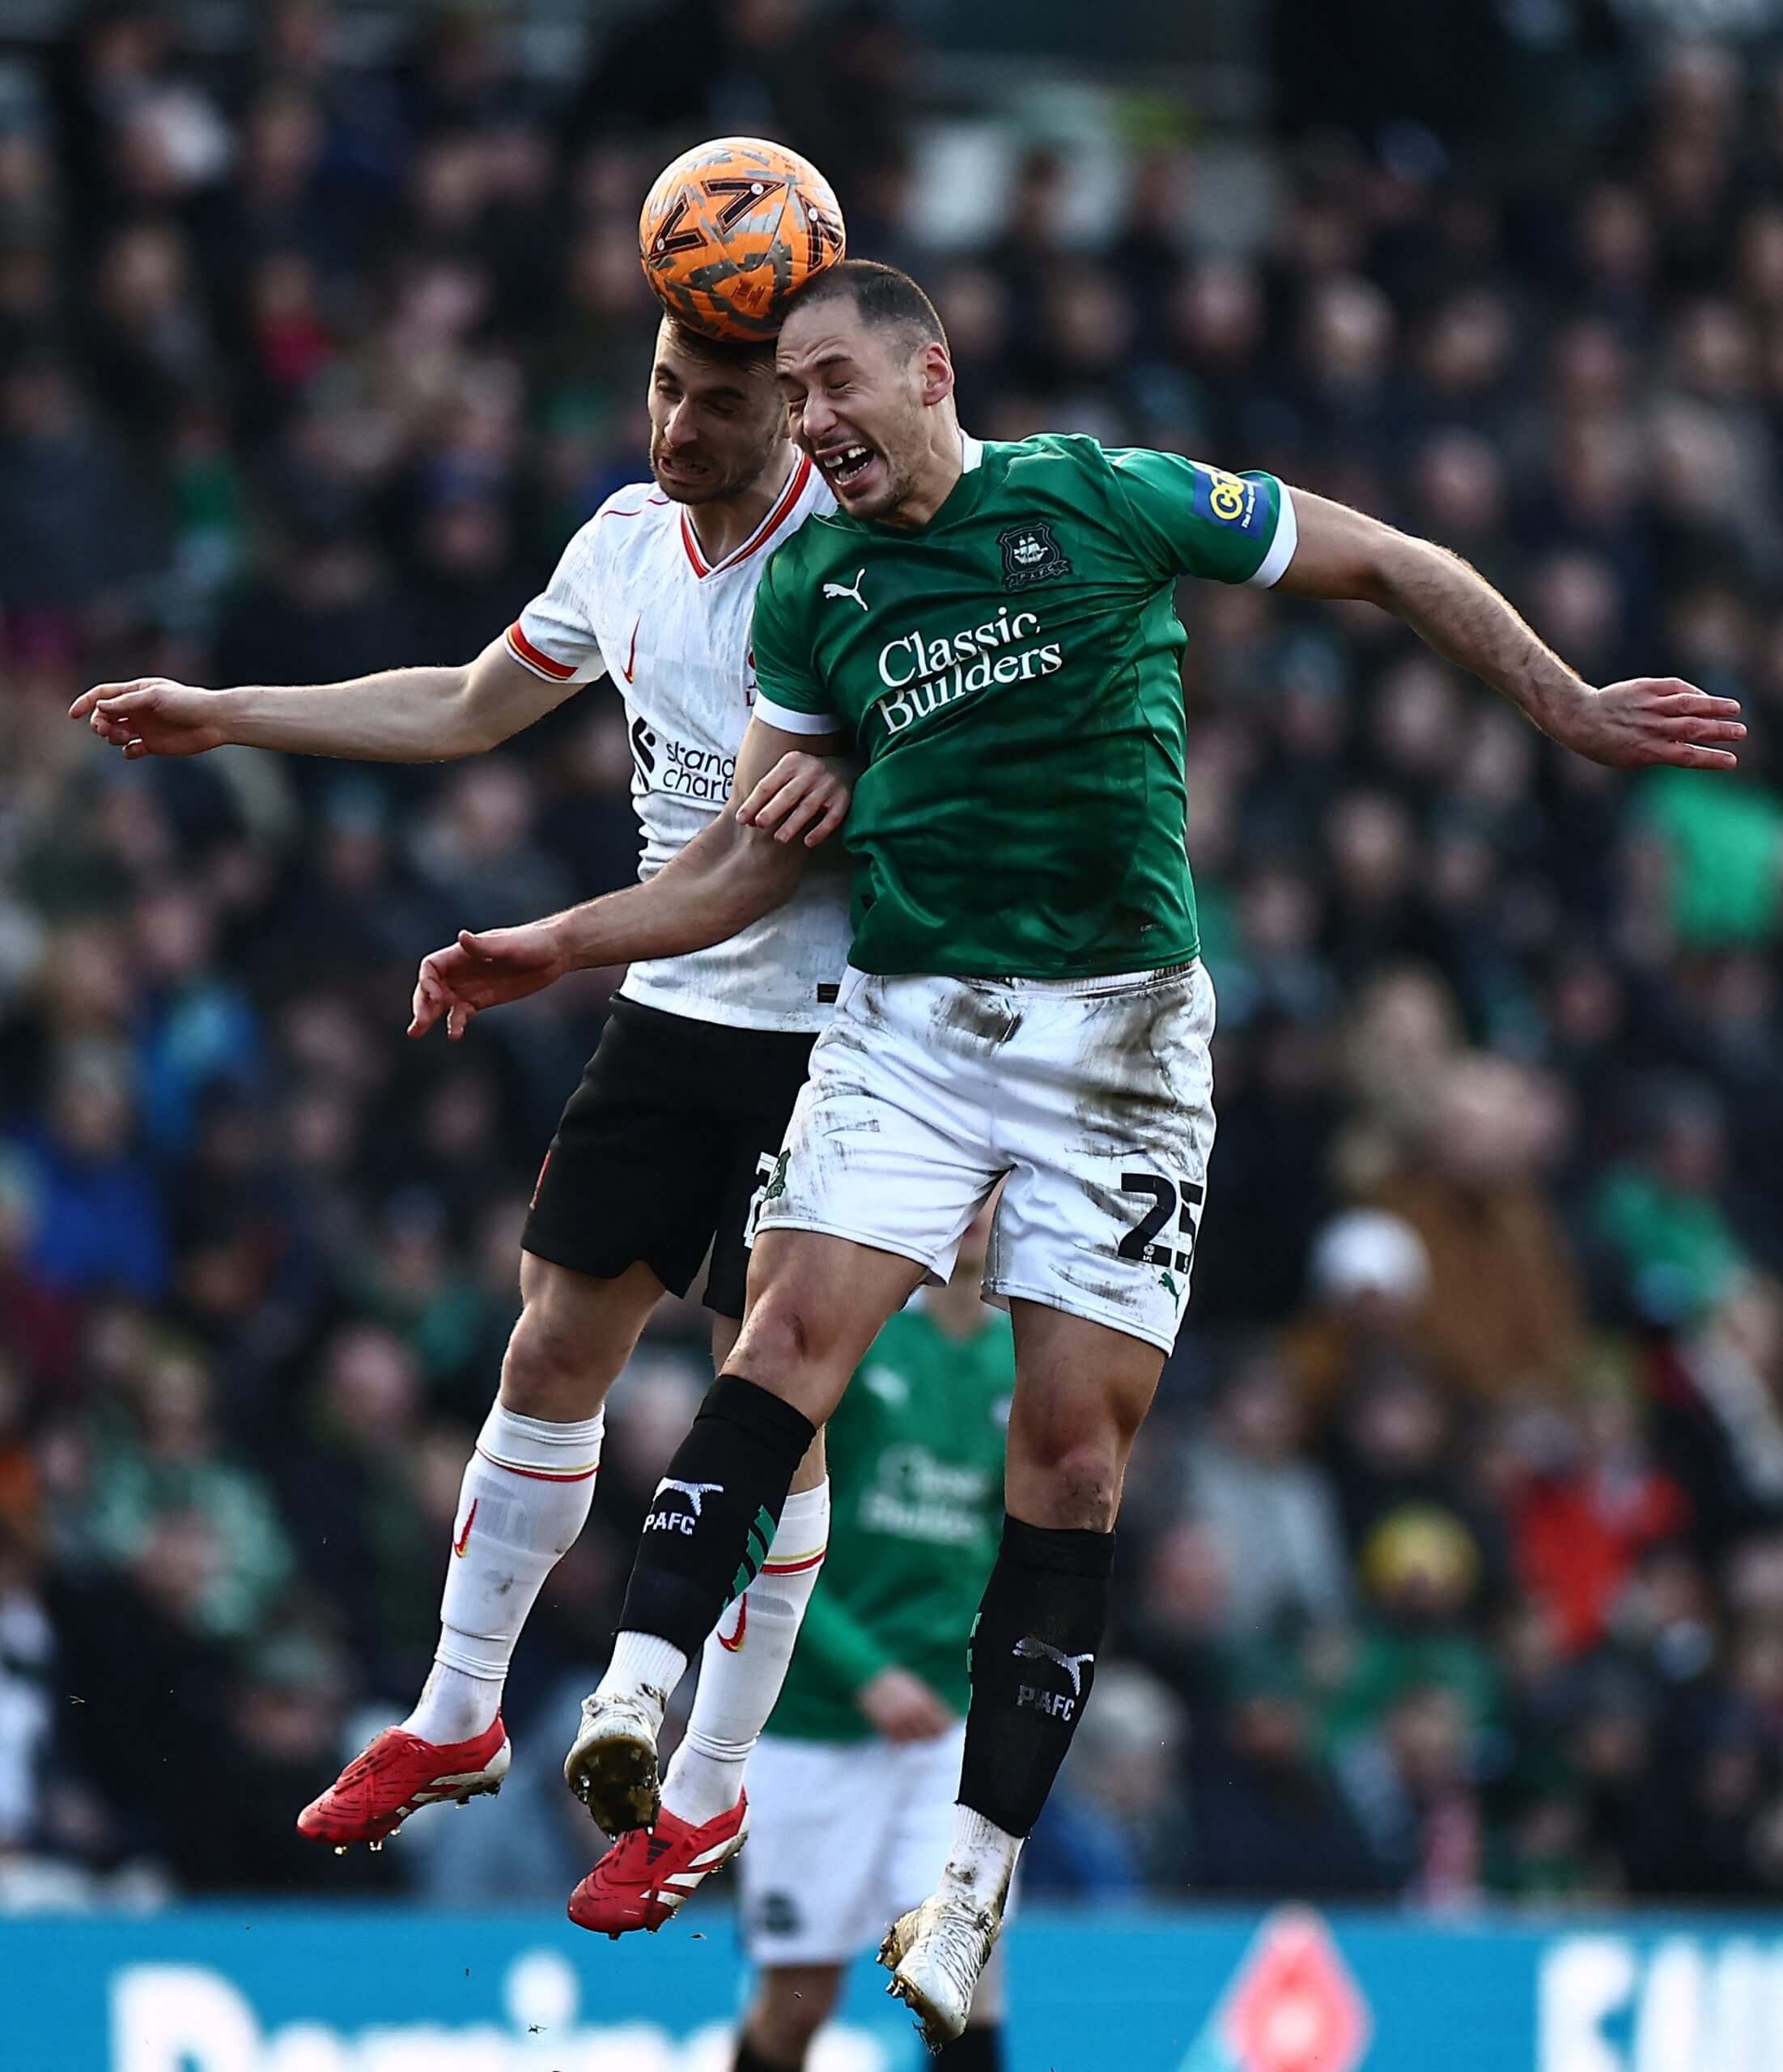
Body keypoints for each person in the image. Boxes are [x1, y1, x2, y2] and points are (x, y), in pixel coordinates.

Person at [401, 257, 1744, 2046]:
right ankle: (636, 1694)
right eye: (786, 398)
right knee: (782, 1339)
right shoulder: (815, 587)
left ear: (928, 372)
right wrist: (561, 942)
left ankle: (968, 1887)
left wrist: (1559, 700)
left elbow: (1393, 559)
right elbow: (741, 861)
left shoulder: (1101, 500)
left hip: (1120, 1045)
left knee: (1075, 1461)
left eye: (828, 386)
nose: (808, 426)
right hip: (914, 1021)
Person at [70, 311, 855, 1931]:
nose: (674, 426)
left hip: (836, 1035)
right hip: (673, 1008)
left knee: (765, 1403)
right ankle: (457, 1709)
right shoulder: (627, 539)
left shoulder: (853, 563)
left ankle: (701, 1796)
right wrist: (229, 712)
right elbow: (467, 700)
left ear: (787, 409)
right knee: (548, 1349)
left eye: (712, 404)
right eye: (659, 390)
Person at [734, 1203, 1011, 2072]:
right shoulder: (867, 1340)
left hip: (952, 1728)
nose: (980, 1208)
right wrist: (866, 1672)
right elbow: (766, 1536)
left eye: (1001, 1185)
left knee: (963, 1983)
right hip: (816, 1721)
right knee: (798, 2003)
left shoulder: (1031, 1361)